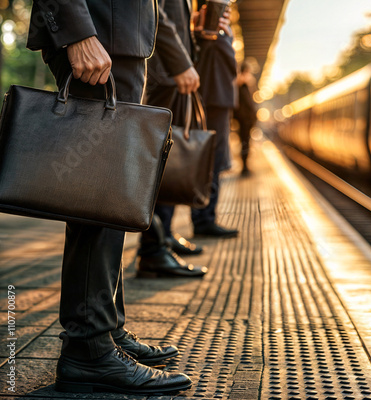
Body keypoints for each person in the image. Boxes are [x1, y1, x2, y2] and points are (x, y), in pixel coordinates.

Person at [27, 0, 192, 394]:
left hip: (121, 37)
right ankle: (89, 348)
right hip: (97, 32)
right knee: (99, 192)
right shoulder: (86, 36)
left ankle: (107, 327)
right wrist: (76, 30)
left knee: (111, 193)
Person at [137, 0, 209, 278]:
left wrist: (196, 32)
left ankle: (162, 239)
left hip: (170, 71)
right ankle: (154, 249)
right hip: (164, 72)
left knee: (168, 162)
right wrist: (180, 62)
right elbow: (155, 10)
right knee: (160, 163)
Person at [190, 0, 239, 236]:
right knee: (212, 161)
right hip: (213, 103)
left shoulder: (216, 37)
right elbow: (230, 69)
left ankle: (205, 217)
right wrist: (222, 37)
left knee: (214, 162)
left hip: (217, 103)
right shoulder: (208, 38)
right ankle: (204, 220)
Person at [234, 60, 257, 175]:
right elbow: (247, 106)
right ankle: (244, 168)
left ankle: (245, 167)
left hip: (245, 120)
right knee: (245, 143)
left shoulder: (244, 87)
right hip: (244, 121)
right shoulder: (241, 87)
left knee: (245, 142)